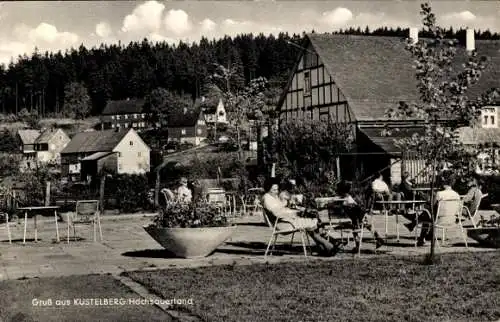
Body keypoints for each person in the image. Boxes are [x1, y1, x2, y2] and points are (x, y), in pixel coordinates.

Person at [262, 178, 341, 256]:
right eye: (274, 190)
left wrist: (293, 209)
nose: (276, 192)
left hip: (286, 221)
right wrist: (293, 211)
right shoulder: (267, 198)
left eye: (277, 189)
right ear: (268, 188)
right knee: (313, 221)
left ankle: (325, 247)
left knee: (312, 223)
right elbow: (277, 213)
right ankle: (329, 244)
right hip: (283, 224)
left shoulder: (273, 197)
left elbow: (282, 209)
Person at [405, 174, 460, 247]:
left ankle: (416, 229)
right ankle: (415, 228)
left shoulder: (440, 194)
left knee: (426, 213)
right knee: (428, 213)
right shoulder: (456, 195)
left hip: (438, 220)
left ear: (444, 183)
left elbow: (432, 205)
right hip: (451, 219)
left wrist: (425, 198)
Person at [336, 180, 385, 253]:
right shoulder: (350, 199)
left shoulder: (343, 201)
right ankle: (377, 237)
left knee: (355, 225)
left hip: (355, 220)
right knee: (365, 223)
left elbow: (343, 212)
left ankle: (358, 244)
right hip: (358, 219)